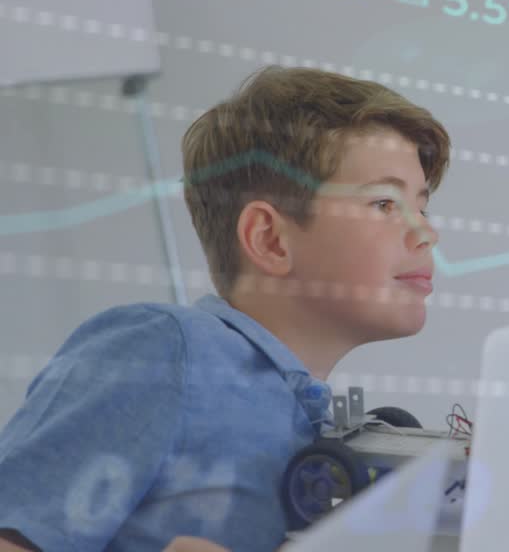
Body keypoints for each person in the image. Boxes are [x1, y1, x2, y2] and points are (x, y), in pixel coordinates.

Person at [0, 67, 449, 551]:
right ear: (270, 239)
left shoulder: (320, 423)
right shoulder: (164, 350)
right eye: (384, 203)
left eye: (421, 207)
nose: (426, 232)